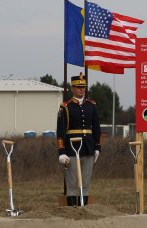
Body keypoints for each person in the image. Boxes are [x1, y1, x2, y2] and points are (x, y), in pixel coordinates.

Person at [56, 72, 101, 206]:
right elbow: (60, 130)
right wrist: (61, 151)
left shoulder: (91, 105)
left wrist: (97, 147)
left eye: (84, 87)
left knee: (86, 182)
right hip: (71, 148)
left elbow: (96, 128)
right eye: (78, 87)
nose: (82, 89)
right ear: (72, 88)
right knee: (72, 183)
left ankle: (84, 210)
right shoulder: (65, 107)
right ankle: (71, 211)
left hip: (88, 147)